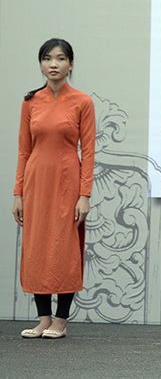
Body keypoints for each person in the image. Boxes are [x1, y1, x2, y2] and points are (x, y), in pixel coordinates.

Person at [13, 39, 95, 339]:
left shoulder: (82, 102)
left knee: (64, 248)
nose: (54, 65)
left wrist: (84, 195)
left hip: (67, 182)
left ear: (71, 64)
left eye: (61, 59)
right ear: (41, 64)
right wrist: (18, 193)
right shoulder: (30, 101)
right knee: (37, 246)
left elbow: (89, 151)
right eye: (47, 59)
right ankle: (43, 318)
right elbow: (23, 151)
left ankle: (61, 319)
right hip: (36, 182)